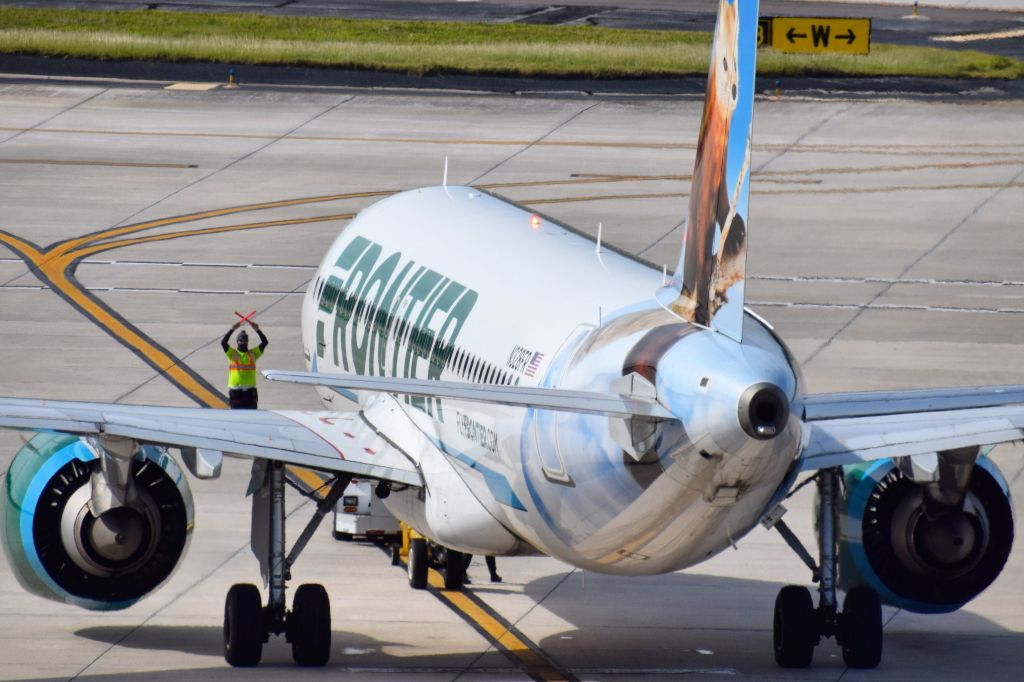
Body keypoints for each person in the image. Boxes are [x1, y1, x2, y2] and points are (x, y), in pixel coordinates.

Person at [222, 318, 268, 409]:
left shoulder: (253, 353)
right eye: (240, 341)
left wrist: (257, 330)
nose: (242, 342)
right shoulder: (232, 353)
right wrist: (232, 329)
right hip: (236, 392)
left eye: (244, 341)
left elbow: (264, 342)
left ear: (247, 342)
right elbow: (223, 343)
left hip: (250, 393)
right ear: (237, 342)